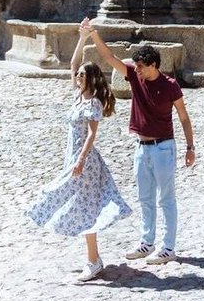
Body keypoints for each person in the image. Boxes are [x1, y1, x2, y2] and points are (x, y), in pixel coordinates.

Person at [82, 17, 195, 265]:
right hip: (141, 148)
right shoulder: (134, 76)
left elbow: (184, 117)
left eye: (142, 66)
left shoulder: (171, 86)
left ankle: (168, 247)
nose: (138, 70)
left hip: (164, 147)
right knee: (145, 197)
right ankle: (147, 242)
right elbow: (110, 58)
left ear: (154, 65)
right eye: (137, 66)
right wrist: (93, 35)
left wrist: (190, 147)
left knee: (166, 198)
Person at [27, 21, 131, 281]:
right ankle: (92, 258)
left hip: (84, 162)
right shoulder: (78, 96)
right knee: (79, 206)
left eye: (83, 76)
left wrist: (81, 160)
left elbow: (93, 135)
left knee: (85, 208)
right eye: (78, 76)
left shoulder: (93, 103)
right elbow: (73, 63)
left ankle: (93, 260)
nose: (78, 77)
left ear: (92, 80)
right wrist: (83, 38)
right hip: (72, 158)